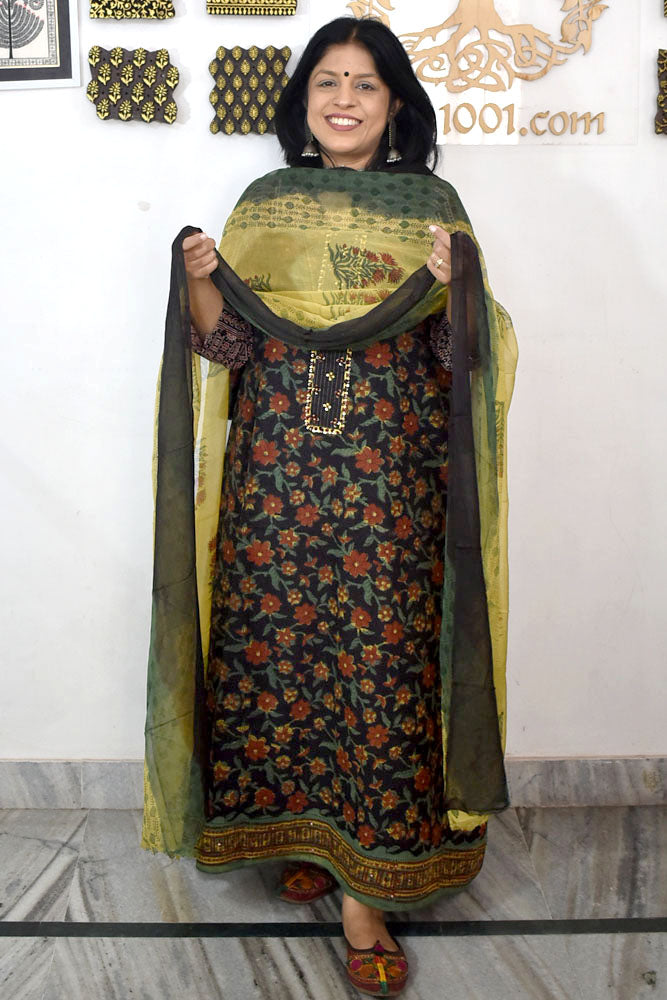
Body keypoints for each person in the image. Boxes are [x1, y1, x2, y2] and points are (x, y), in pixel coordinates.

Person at [142, 16, 517, 998]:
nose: (343, 99)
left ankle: (365, 890)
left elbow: (459, 360)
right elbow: (230, 349)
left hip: (392, 483)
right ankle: (303, 834)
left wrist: (459, 289)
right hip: (275, 484)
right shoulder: (267, 204)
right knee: (278, 657)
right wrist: (201, 285)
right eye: (327, 81)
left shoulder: (430, 206)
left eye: (364, 84)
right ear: (301, 98)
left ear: (395, 105)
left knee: (379, 664)